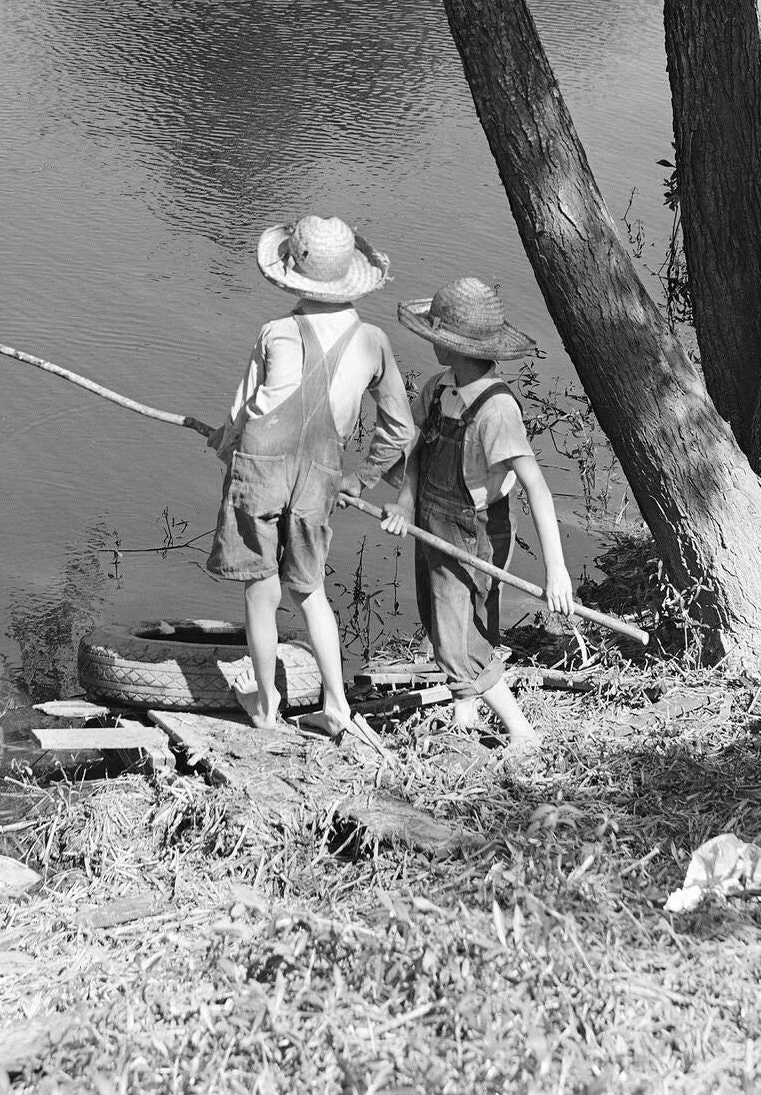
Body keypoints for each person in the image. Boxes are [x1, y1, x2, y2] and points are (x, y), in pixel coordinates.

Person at [205, 214, 415, 740]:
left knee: (260, 588)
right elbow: (400, 429)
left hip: (261, 469)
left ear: (291, 276)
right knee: (309, 590)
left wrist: (224, 443)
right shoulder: (373, 341)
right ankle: (337, 705)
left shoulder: (275, 332)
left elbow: (242, 415)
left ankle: (266, 702)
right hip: (321, 475)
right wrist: (361, 478)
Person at [380, 276, 574, 753]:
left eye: (437, 335)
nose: (429, 341)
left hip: (476, 530)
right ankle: (464, 716)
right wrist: (404, 502)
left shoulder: (496, 410)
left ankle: (520, 730)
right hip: (432, 520)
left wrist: (556, 571)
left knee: (461, 636)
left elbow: (537, 487)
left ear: (458, 347)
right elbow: (415, 452)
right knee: (440, 618)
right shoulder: (439, 388)